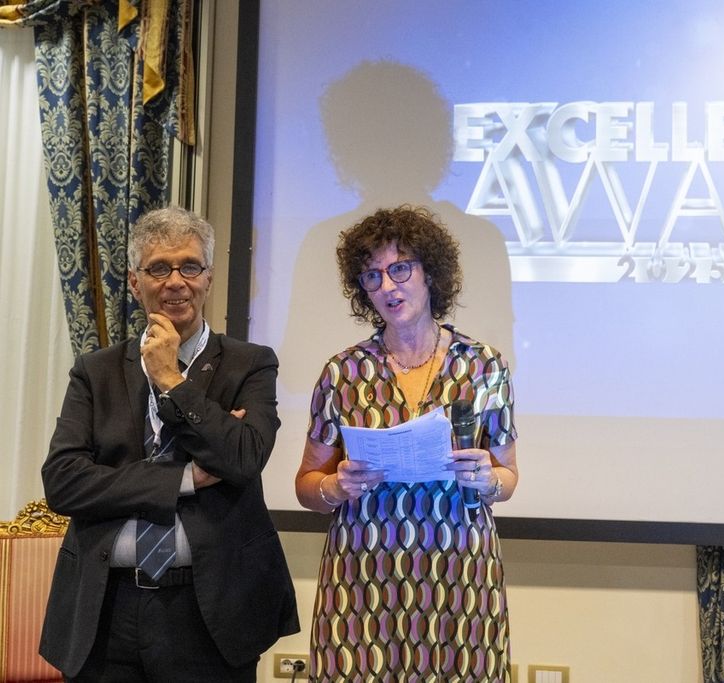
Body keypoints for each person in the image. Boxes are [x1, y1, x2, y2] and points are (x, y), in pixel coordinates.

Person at [39, 206, 300, 682]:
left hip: (212, 611)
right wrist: (185, 478)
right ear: (135, 282)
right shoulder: (95, 371)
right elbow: (63, 483)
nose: (176, 281)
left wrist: (171, 381)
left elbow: (243, 458)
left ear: (208, 278)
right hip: (105, 609)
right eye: (159, 268)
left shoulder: (250, 364)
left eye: (190, 266)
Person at [294, 205, 519, 681]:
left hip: (459, 573)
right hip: (362, 575)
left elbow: (508, 476)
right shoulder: (343, 372)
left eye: (400, 269)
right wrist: (335, 487)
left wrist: (488, 479)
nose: (387, 287)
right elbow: (307, 484)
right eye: (372, 276)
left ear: (429, 273)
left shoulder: (483, 365)